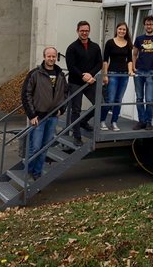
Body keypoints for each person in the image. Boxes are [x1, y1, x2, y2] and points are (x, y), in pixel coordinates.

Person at [21, 46, 68, 180]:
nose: (51, 58)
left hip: (53, 116)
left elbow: (65, 92)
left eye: (53, 56)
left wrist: (62, 109)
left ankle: (37, 173)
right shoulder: (35, 74)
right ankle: (28, 173)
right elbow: (26, 94)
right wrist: (31, 115)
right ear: (44, 57)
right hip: (38, 117)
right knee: (35, 147)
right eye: (49, 56)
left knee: (44, 148)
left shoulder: (60, 74)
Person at [65, 21, 102, 146]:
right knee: (76, 110)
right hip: (76, 82)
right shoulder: (72, 47)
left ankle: (84, 121)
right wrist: (82, 76)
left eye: (86, 30)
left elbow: (99, 63)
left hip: (90, 81)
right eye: (82, 30)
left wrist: (90, 75)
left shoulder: (95, 47)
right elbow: (71, 67)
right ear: (77, 31)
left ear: (89, 31)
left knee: (100, 103)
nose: (84, 33)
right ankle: (77, 136)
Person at [132, 15, 153, 130]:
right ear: (144, 25)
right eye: (147, 24)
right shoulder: (139, 38)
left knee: (149, 99)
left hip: (152, 72)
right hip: (139, 71)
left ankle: (148, 122)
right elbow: (134, 54)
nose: (149, 26)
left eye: (151, 24)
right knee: (139, 98)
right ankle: (141, 121)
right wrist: (133, 67)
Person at [101, 22, 134, 131]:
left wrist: (130, 71)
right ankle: (102, 121)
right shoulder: (110, 43)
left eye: (124, 30)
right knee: (110, 100)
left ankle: (114, 122)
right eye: (120, 29)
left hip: (124, 75)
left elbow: (129, 60)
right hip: (112, 74)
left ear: (126, 31)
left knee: (118, 100)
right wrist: (105, 75)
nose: (122, 31)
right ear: (116, 30)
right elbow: (105, 60)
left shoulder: (128, 43)